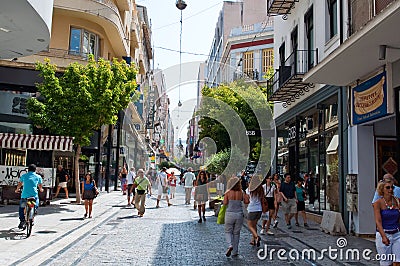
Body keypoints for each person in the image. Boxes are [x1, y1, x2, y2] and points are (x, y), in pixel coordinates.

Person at [373, 178, 400, 266]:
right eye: (388, 188)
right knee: (386, 263)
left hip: (396, 234)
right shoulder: (378, 203)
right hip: (384, 233)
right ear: (382, 190)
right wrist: (383, 236)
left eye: (392, 187)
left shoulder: (397, 201)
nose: (390, 190)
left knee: (397, 261)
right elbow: (378, 221)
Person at [223, 176, 250, 257]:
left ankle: (230, 245)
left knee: (228, 231)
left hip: (229, 213)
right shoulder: (241, 192)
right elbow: (246, 201)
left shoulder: (228, 192)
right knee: (236, 233)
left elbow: (224, 203)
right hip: (239, 214)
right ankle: (235, 251)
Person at [15, 164, 44, 229]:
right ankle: (33, 212)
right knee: (35, 204)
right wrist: (41, 189)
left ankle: (22, 221)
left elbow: (20, 184)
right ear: (35, 170)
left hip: (25, 195)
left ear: (28, 169)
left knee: (22, 208)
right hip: (33, 195)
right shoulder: (38, 176)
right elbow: (40, 186)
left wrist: (17, 190)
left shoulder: (24, 176)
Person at [246, 176, 264, 247]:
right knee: (254, 225)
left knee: (250, 225)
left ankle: (256, 236)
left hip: (252, 209)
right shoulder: (261, 188)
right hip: (259, 209)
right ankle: (253, 240)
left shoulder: (250, 189)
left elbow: (247, 198)